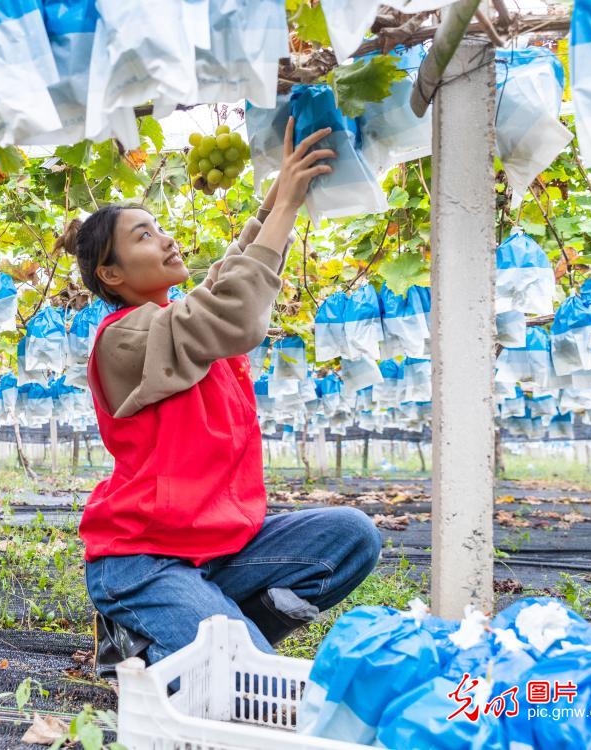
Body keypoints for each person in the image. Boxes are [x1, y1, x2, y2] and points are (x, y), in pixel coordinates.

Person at [64, 119, 383, 674]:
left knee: (351, 537)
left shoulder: (177, 325)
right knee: (248, 678)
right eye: (144, 235)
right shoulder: (125, 338)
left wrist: (278, 196)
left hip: (218, 548)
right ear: (109, 273)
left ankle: (205, 629)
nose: (165, 238)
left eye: (159, 227)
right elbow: (232, 308)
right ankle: (176, 638)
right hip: (143, 559)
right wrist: (284, 207)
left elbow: (225, 282)